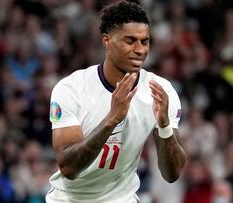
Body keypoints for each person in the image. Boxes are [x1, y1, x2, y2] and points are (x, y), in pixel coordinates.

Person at [45, 1, 187, 203]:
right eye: (130, 41)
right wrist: (112, 119)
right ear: (107, 40)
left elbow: (172, 175)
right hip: (69, 199)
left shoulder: (160, 91)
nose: (139, 50)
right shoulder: (71, 89)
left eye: (145, 42)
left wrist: (164, 126)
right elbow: (68, 168)